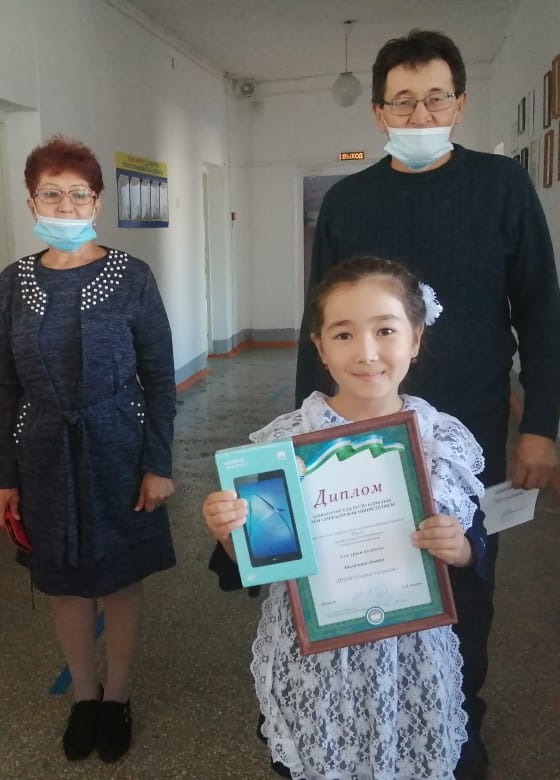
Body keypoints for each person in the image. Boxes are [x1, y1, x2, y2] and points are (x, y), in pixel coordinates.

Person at [294, 29, 560, 778]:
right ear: (379, 113)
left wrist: (540, 425)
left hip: (471, 430)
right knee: (374, 574)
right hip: (366, 432)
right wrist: (305, 444)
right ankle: (380, 717)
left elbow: (540, 309)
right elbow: (318, 325)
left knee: (465, 573)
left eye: (436, 99)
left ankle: (456, 721)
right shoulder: (350, 201)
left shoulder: (502, 186)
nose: (421, 116)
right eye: (404, 103)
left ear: (460, 104)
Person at [206, 256, 486, 779]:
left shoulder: (440, 440)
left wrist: (461, 547)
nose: (366, 352)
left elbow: (476, 551)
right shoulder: (285, 443)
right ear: (320, 347)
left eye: (385, 330)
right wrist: (229, 532)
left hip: (410, 657)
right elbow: (253, 566)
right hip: (314, 660)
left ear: (416, 338)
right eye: (343, 334)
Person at [0, 135, 176, 764]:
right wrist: (3, 472)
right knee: (64, 582)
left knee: (118, 580)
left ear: (97, 202)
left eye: (78, 194)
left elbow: (159, 377)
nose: (64, 206)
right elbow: (5, 384)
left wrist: (157, 463)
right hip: (43, 453)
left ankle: (117, 695)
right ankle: (85, 697)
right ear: (31, 201)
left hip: (119, 446)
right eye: (51, 194)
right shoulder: (14, 282)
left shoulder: (131, 276)